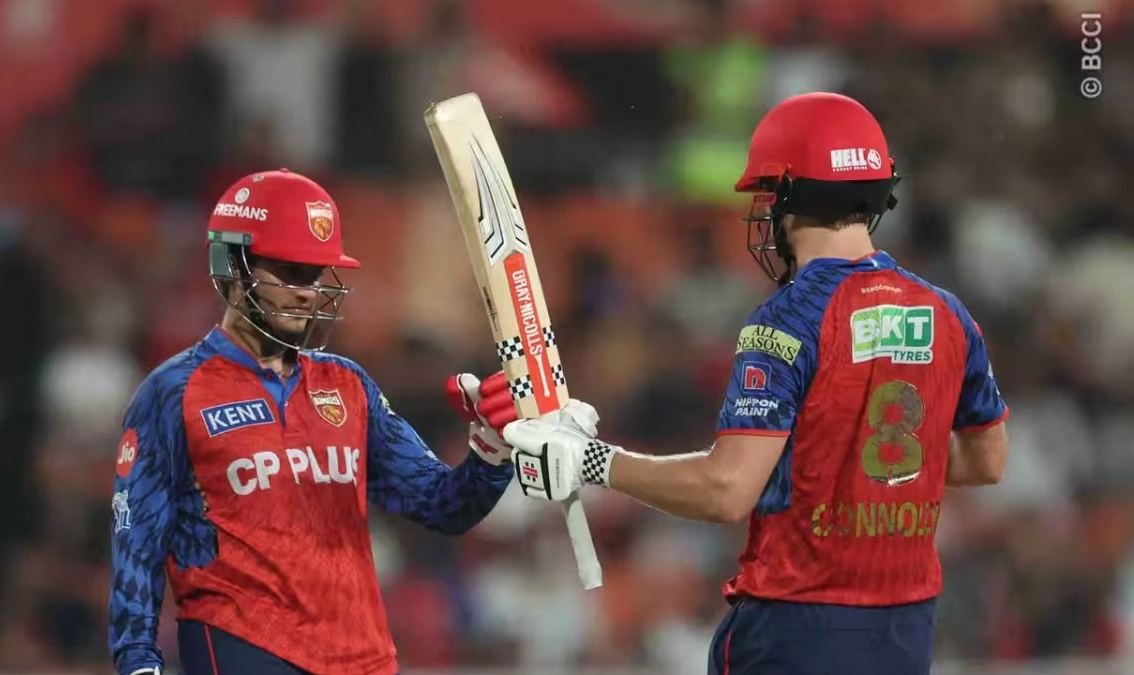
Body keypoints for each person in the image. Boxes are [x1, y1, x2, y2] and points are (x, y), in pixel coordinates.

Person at [493, 93, 1010, 675]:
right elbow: (986, 461)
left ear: (791, 196)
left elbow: (725, 490)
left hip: (795, 628)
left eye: (768, 194)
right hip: (904, 630)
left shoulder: (787, 319)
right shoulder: (948, 313)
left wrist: (592, 462)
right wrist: (835, 456)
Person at [107, 168, 596, 675]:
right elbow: (136, 541)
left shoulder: (348, 386)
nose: (308, 291)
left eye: (316, 274)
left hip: (360, 656)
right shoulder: (173, 392)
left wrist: (492, 450)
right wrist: (139, 661)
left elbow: (444, 507)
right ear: (233, 265)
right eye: (292, 271)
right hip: (244, 646)